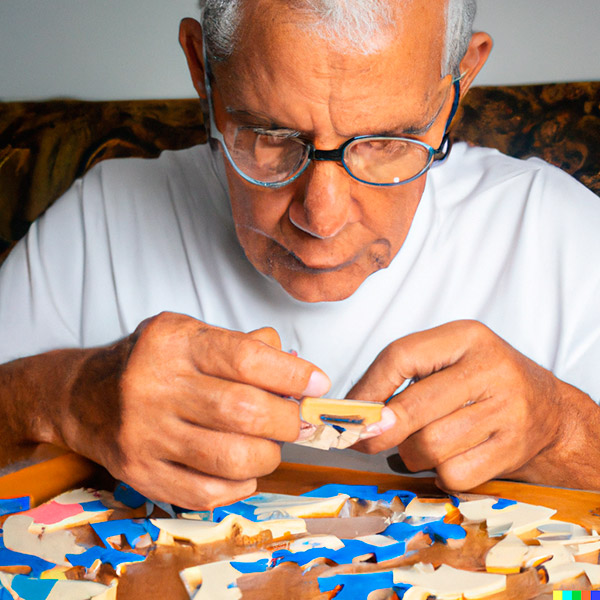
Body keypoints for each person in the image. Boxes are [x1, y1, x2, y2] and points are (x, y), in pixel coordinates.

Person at [1, 0, 599, 510]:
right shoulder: (102, 219)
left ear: (458, 85)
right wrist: (69, 396)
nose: (322, 216)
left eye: (386, 142)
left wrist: (561, 430)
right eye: (272, 137)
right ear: (202, 68)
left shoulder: (559, 231)